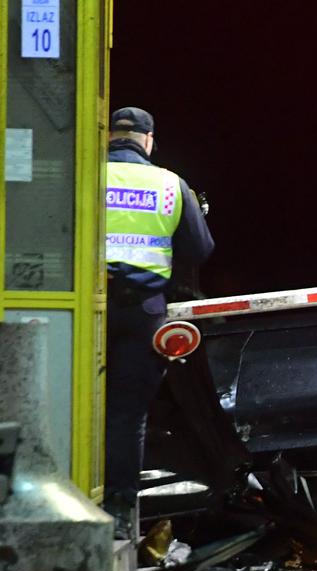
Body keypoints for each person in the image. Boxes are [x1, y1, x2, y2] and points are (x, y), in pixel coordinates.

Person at [104, 107, 214, 539]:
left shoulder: (83, 175)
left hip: (83, 308)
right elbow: (199, 249)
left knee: (67, 408)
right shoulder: (171, 184)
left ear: (111, 136)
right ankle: (117, 515)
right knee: (126, 415)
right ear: (148, 140)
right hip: (142, 312)